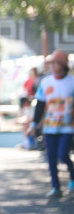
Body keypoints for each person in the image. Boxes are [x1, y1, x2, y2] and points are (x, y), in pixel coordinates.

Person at [27, 50, 74, 198]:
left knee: (63, 154)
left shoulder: (72, 82)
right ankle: (56, 187)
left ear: (63, 64)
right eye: (51, 63)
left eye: (55, 63)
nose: (52, 66)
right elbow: (40, 104)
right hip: (50, 126)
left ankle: (72, 177)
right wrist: (34, 123)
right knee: (51, 157)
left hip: (67, 126)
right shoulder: (46, 82)